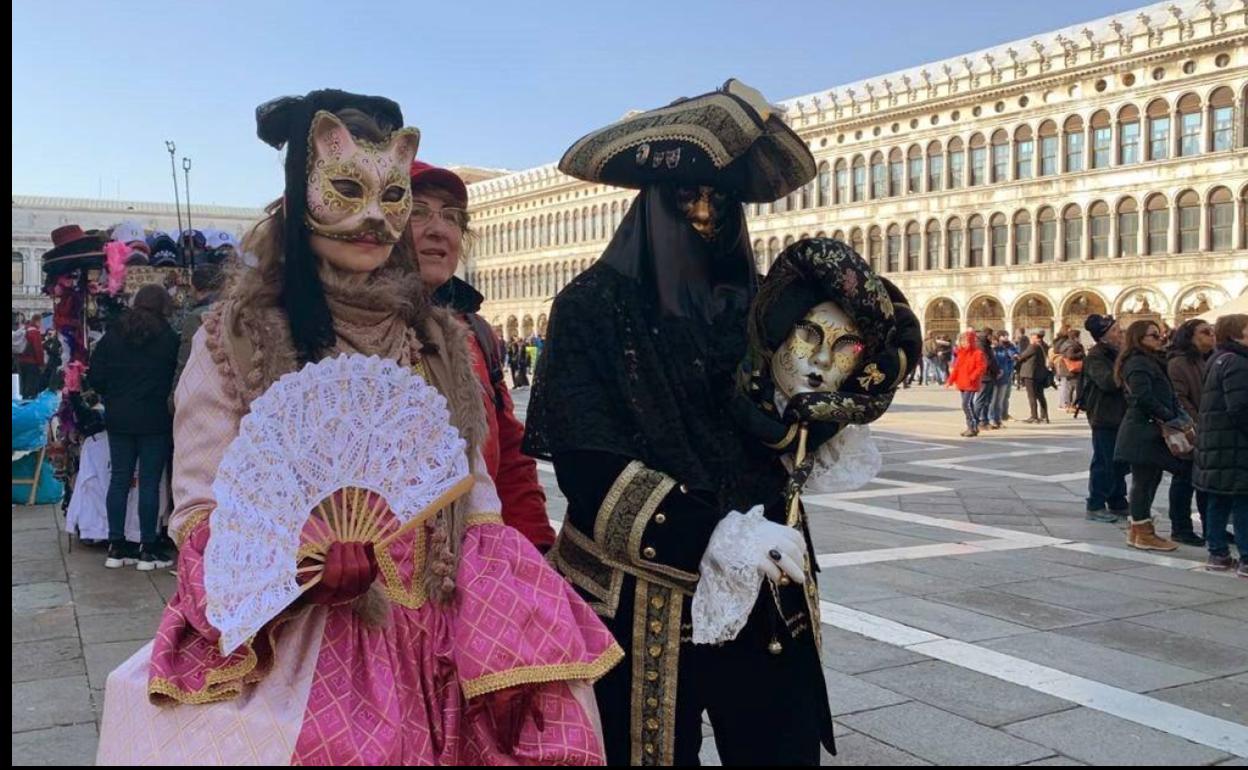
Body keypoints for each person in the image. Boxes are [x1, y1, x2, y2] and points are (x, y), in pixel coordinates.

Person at [95, 90, 618, 766]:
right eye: (345, 189)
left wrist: (510, 594)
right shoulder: (238, 338)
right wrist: (292, 566)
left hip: (441, 637)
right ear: (297, 195)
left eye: (391, 195)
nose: (373, 218)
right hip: (301, 644)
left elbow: (477, 498)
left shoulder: (441, 341)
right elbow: (200, 508)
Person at [525, 80, 909, 766]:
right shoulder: (589, 306)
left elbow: (775, 422)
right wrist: (712, 532)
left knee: (778, 748)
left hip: (763, 584)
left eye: (721, 197)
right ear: (652, 204)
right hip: (638, 594)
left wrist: (829, 408)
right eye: (687, 195)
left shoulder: (756, 308)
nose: (705, 211)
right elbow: (588, 464)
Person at [407, 159, 555, 551]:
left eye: (452, 217)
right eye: (417, 212)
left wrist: (535, 551)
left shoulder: (476, 333)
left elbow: (510, 456)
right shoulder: (350, 332)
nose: (439, 229)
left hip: (478, 569)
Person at [88, 285, 180, 570]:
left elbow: (96, 376)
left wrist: (113, 395)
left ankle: (116, 547)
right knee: (150, 483)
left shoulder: (114, 334)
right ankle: (148, 549)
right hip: (154, 419)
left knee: (119, 479)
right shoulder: (168, 338)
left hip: (119, 417)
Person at [1114, 319, 1188, 552]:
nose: (1161, 339)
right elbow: (1142, 397)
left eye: (1160, 335)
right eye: (1154, 336)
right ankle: (1143, 531)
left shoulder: (1150, 360)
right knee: (1147, 480)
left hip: (1150, 429)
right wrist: (1169, 417)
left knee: (1148, 479)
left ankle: (1138, 530)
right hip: (1143, 431)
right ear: (1139, 339)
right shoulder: (1137, 363)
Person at [1193, 314, 1248, 576]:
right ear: (1237, 334)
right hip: (1234, 444)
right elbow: (1239, 407)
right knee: (1243, 500)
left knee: (1219, 498)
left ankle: (1218, 554)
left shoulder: (1218, 359)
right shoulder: (1237, 362)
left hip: (1218, 443)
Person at [1165, 318, 1215, 545]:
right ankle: (1181, 527)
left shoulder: (1208, 359)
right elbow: (1179, 398)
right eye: (1205, 333)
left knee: (1207, 483)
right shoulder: (1179, 363)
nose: (1211, 336)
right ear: (1191, 337)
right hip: (1191, 431)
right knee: (1184, 480)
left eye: (1212, 332)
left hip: (1208, 428)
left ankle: (1212, 527)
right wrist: (1196, 423)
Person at [1081, 315, 1130, 523]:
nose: (1120, 334)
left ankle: (1118, 500)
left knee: (1119, 460)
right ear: (1104, 337)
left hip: (1120, 414)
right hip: (1104, 415)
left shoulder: (1116, 353)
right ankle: (1096, 503)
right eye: (1116, 331)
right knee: (1104, 460)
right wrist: (1125, 364)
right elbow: (1108, 382)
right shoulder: (1096, 356)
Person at [171, 263, 225, 402]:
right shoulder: (232, 310)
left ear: (194, 288)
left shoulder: (196, 317)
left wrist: (174, 397)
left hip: (203, 393)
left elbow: (185, 359)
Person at [948, 329, 988, 437]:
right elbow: (956, 368)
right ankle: (971, 426)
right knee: (968, 405)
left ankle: (973, 426)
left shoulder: (977, 353)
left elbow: (981, 367)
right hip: (962, 382)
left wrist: (973, 376)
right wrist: (950, 380)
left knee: (966, 405)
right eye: (961, 341)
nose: (963, 343)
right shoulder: (961, 354)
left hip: (971, 384)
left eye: (965, 341)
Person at [1018, 330, 1051, 423]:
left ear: (1036, 337)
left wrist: (1017, 357)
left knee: (1031, 395)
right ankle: (1044, 416)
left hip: (1031, 374)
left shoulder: (1033, 346)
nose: (1031, 338)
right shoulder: (1044, 346)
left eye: (1032, 336)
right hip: (1040, 374)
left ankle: (1034, 416)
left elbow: (1022, 356)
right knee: (1040, 395)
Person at [988, 331, 1017, 429]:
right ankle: (990, 419)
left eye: (995, 341)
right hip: (993, 379)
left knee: (1000, 401)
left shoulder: (1003, 350)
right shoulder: (989, 351)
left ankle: (998, 420)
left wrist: (1007, 373)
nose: (994, 343)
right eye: (992, 341)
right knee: (992, 401)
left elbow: (1007, 362)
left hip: (1004, 378)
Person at [16, 312, 46, 399]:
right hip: (32, 362)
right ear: (37, 321)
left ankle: (24, 399)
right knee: (31, 384)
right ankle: (29, 402)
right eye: (40, 322)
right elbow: (38, 349)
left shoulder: (24, 329)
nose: (41, 324)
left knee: (24, 383)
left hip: (21, 361)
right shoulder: (35, 332)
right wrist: (41, 364)